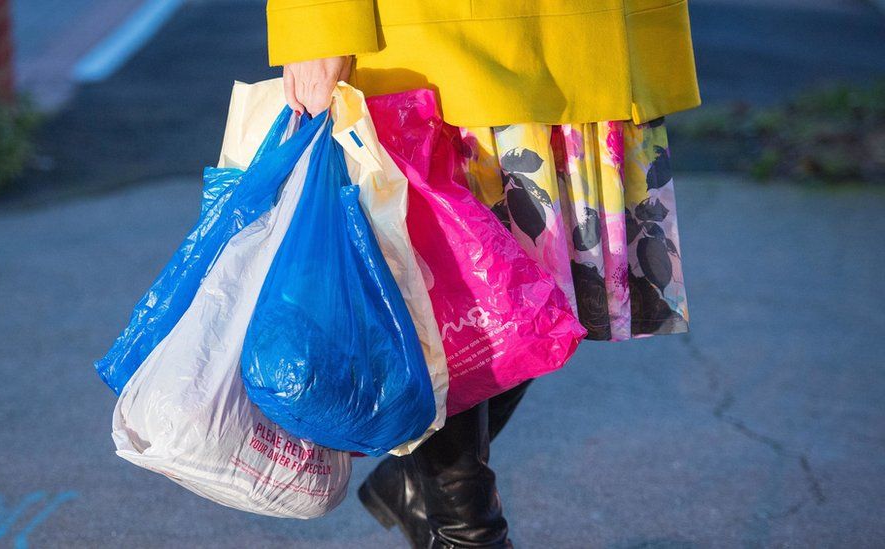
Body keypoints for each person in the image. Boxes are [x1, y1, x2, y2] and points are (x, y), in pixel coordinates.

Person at [266, 1, 701, 547]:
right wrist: (316, 29)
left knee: (540, 308)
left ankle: (418, 484)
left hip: (587, 40)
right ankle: (468, 531)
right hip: (446, 43)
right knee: (449, 304)